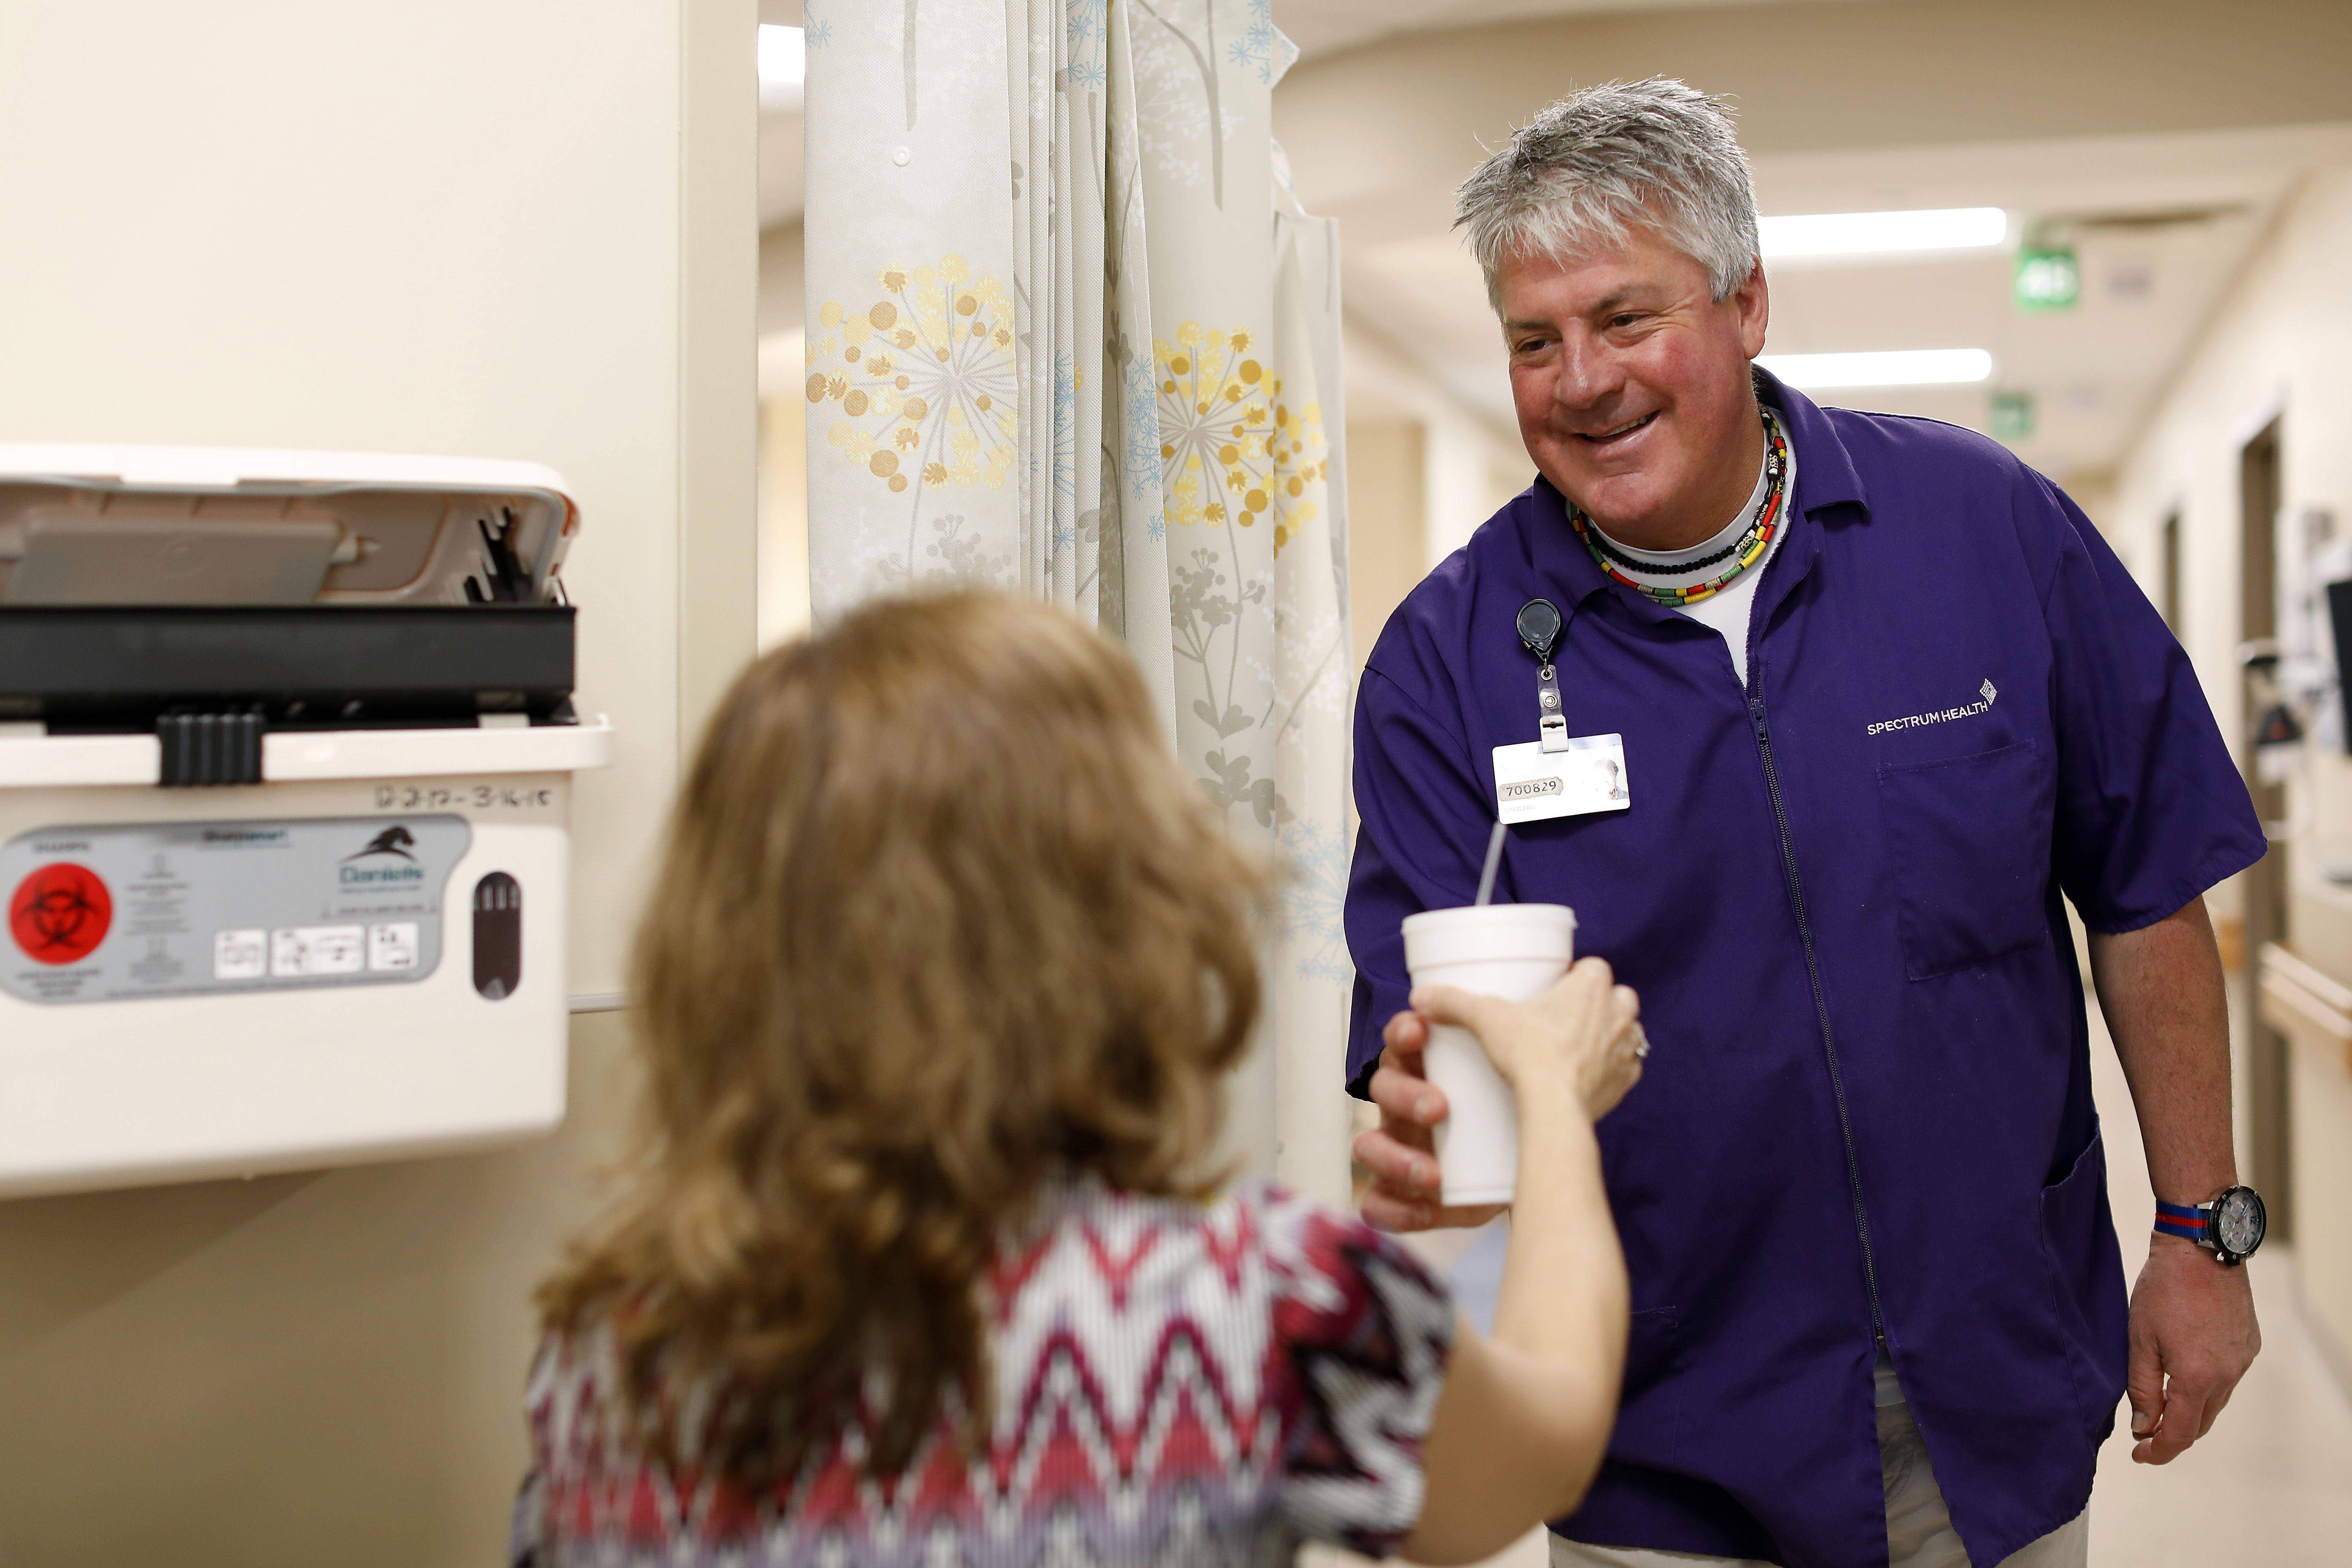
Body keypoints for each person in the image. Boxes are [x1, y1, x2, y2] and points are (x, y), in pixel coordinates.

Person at [1346, 79, 2268, 1568]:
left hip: (1997, 1386)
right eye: (1534, 340)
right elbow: (1425, 1072)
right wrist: (1417, 1145)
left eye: (1626, 319)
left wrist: (2201, 1232)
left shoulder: (1985, 531)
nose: (1581, 380)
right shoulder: (1447, 664)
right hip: (1663, 1440)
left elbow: (2152, 883)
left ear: (1748, 300)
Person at [512, 591, 1650, 1568]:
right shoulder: (1244, 1304)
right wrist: (1549, 1097)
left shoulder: (615, 1353)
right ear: (1122, 905)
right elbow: (1545, 1436)